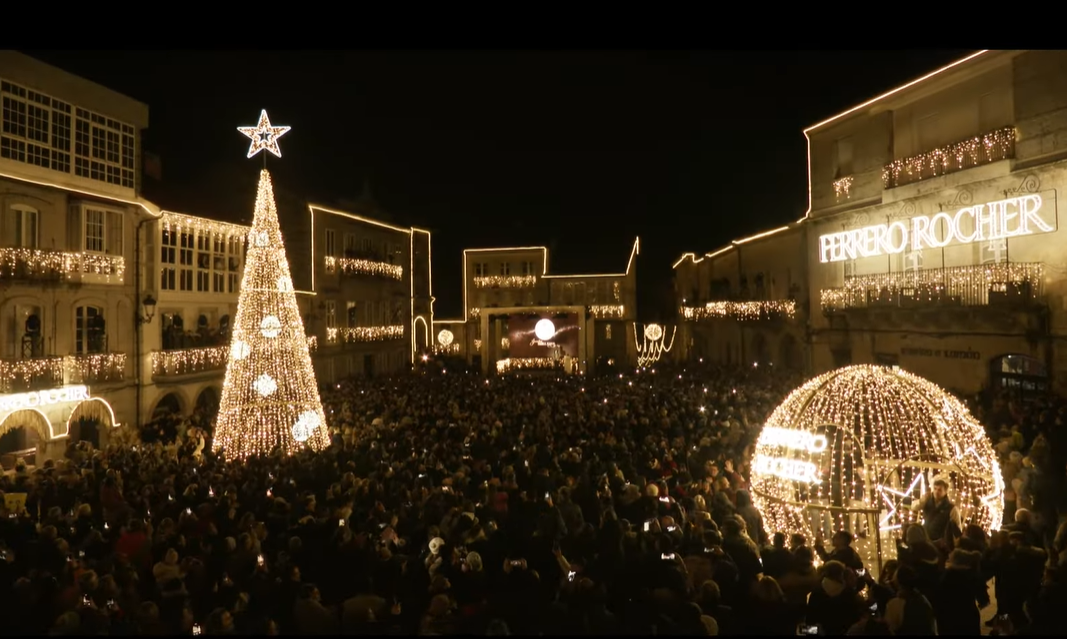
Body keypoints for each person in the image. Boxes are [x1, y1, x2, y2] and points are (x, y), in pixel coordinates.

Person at [911, 477, 961, 545]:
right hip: (926, 540)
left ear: (945, 491)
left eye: (940, 490)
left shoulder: (951, 508)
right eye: (935, 489)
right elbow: (914, 507)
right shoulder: (927, 502)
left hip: (941, 544)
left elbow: (957, 529)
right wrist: (922, 501)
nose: (936, 492)